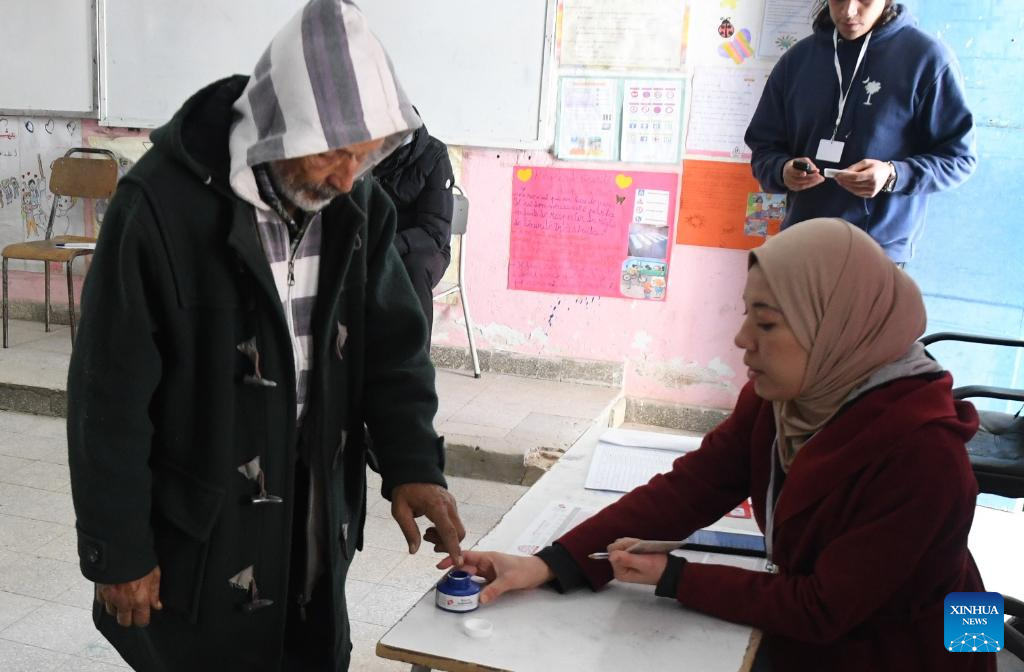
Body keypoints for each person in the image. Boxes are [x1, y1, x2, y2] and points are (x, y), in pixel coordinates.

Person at [66, 2, 465, 670]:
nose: (345, 178)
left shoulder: (357, 207)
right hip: (203, 531)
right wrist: (118, 548)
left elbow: (395, 352)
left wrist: (412, 464)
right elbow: (107, 398)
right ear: (277, 130)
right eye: (333, 152)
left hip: (312, 520)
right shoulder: (159, 207)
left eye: (364, 157)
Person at [443, 219, 995, 671]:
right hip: (835, 632)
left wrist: (676, 576)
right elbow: (688, 491)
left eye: (767, 322)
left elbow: (825, 609)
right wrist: (550, 564)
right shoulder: (782, 402)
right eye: (745, 312)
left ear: (834, 328)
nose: (741, 339)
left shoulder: (926, 456)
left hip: (917, 649)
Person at [744, 1, 977, 263]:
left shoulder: (927, 60)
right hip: (800, 244)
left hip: (877, 255)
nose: (848, 11)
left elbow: (959, 159)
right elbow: (763, 148)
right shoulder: (797, 61)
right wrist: (781, 170)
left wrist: (892, 174)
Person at [372, 117, 454, 337]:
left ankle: (416, 363)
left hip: (424, 247)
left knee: (414, 269)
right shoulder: (369, 149)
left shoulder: (435, 155)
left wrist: (388, 247)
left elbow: (435, 232)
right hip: (378, 240)